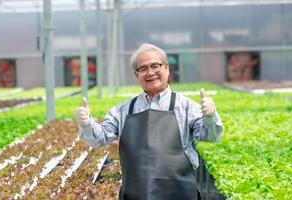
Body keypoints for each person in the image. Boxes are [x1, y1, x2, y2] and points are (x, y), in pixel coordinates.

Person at [75, 43, 223, 200]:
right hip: (136, 193)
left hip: (180, 192)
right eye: (143, 68)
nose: (150, 72)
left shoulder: (186, 107)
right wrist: (86, 123)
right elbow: (100, 138)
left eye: (155, 66)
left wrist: (210, 116)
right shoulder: (123, 110)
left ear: (166, 68)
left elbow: (211, 136)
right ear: (136, 75)